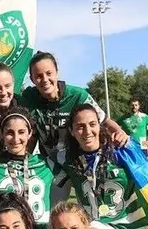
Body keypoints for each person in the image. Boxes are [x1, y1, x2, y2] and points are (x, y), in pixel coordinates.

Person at [20, 51, 128, 204]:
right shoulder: (28, 99)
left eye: (49, 73)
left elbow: (103, 120)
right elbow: (31, 137)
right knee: (52, 211)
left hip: (79, 162)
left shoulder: (78, 95)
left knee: (92, 210)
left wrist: (119, 131)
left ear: (57, 71)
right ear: (31, 79)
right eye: (38, 76)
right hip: (53, 165)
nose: (44, 79)